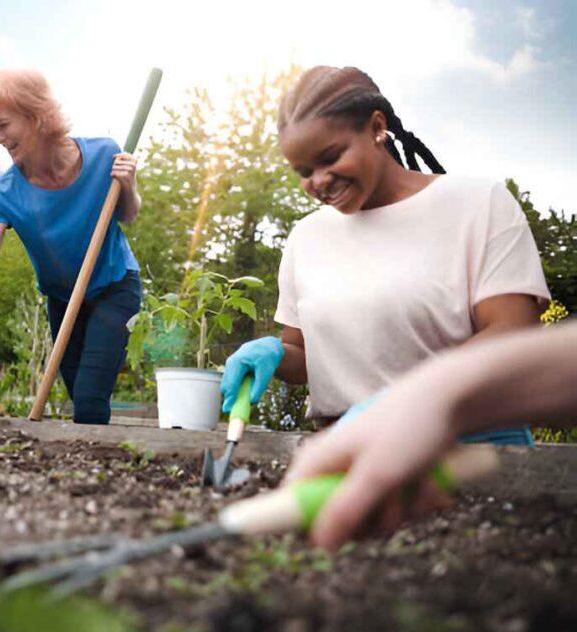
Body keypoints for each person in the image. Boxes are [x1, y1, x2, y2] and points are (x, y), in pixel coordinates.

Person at [220, 66, 550, 441]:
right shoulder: (306, 237)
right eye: (304, 170)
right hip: (342, 454)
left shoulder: (477, 204)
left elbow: (513, 332)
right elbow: (305, 354)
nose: (318, 181)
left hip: (466, 446)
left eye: (330, 157)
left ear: (377, 127)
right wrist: (277, 354)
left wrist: (405, 402)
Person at [0, 69, 143, 424]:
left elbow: (128, 216)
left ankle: (95, 473)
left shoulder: (104, 154)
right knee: (75, 389)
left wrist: (128, 185)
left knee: (89, 395)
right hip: (62, 298)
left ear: (37, 115)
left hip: (115, 285)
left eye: (2, 124)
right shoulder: (4, 194)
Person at [286, 322, 577, 549]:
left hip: (470, 440)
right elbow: (301, 352)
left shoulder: (481, 241)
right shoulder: (303, 245)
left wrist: (443, 391)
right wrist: (277, 353)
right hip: (360, 445)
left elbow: (515, 326)